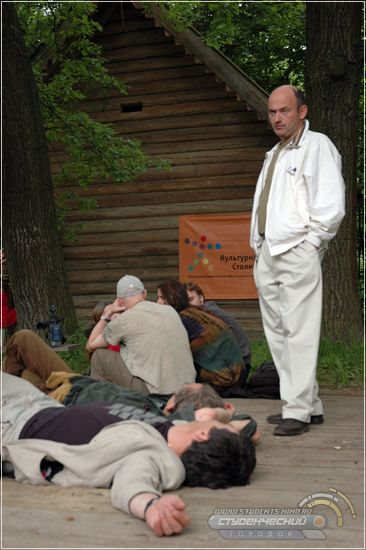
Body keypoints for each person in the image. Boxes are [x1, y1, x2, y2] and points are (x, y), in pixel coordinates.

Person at [2, 373, 257, 537]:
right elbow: (248, 425)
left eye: (224, 427)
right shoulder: (174, 428)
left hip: (13, 422)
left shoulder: (155, 457)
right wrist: (220, 417)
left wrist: (151, 506)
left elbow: (133, 484)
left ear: (203, 436)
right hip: (38, 404)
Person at [250, 85, 345, 436]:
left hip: (297, 250)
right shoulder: (274, 152)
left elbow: (331, 204)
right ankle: (308, 404)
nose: (277, 117)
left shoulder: (316, 146)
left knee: (300, 333)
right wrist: (257, 246)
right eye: (272, 111)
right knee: (278, 334)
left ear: (301, 112)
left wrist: (312, 244)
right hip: (269, 252)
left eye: (284, 111)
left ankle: (298, 410)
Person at [86, 274, 196, 394]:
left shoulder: (124, 320)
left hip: (157, 393)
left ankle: (103, 407)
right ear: (145, 294)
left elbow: (90, 345)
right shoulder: (170, 310)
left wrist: (106, 315)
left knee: (99, 357)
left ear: (119, 301)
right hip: (188, 388)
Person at [157, 280, 247, 396]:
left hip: (225, 380)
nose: (158, 302)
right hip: (236, 376)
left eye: (161, 297)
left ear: (172, 299)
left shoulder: (184, 319)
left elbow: (171, 352)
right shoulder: (194, 313)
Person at [185, 282, 251, 370]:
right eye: (185, 301)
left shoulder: (208, 314)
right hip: (236, 359)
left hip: (238, 363)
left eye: (191, 299)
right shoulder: (203, 312)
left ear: (201, 298)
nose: (189, 305)